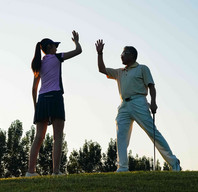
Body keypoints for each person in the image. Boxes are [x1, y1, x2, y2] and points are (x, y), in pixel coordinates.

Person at [95, 39, 181, 172]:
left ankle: (174, 163)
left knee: (153, 133)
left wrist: (153, 103)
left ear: (133, 56)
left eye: (124, 53)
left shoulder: (142, 68)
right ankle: (122, 167)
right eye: (122, 53)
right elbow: (102, 69)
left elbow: (151, 86)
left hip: (139, 102)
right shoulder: (120, 72)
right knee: (121, 136)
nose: (121, 55)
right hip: (124, 105)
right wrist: (100, 53)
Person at [26, 31, 82, 177]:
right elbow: (78, 51)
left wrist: (36, 107)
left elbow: (33, 89)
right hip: (55, 97)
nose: (56, 49)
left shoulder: (39, 64)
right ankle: (55, 171)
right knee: (58, 137)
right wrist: (76, 41)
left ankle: (30, 172)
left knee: (38, 136)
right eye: (55, 46)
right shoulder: (57, 57)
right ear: (49, 47)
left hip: (43, 99)